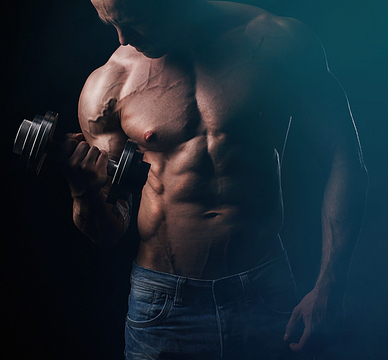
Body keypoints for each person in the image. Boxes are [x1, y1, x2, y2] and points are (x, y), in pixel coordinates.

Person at [58, 0, 368, 359]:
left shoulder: (276, 43)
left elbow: (345, 157)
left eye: (134, 21)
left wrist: (330, 286)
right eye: (110, 23)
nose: (124, 39)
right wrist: (84, 193)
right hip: (164, 306)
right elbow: (109, 232)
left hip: (264, 293)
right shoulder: (110, 85)